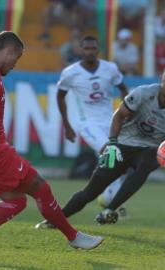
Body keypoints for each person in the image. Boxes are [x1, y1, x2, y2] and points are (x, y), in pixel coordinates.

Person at [0, 31, 104, 260]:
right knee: (40, 188)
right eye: (17, 58)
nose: (15, 65)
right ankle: (74, 237)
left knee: (16, 202)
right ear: (9, 51)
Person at [35, 63, 165, 228]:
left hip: (149, 149)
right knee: (90, 192)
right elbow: (119, 115)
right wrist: (112, 144)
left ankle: (110, 210)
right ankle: (54, 221)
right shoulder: (143, 93)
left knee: (149, 162)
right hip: (123, 144)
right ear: (161, 78)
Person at [48, 35, 129, 225]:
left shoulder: (110, 68)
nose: (90, 51)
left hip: (110, 121)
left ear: (98, 50)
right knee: (110, 154)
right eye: (86, 48)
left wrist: (126, 112)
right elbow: (60, 97)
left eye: (93, 48)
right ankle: (112, 200)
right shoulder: (70, 72)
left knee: (120, 161)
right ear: (81, 50)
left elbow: (124, 89)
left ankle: (108, 197)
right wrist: (67, 125)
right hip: (87, 124)